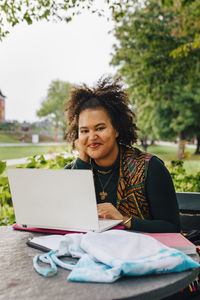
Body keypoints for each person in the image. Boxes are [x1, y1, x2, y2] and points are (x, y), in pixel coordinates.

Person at [64, 76, 180, 233]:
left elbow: (172, 227)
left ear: (116, 129)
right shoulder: (72, 171)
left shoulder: (150, 168)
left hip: (139, 253)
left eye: (99, 128)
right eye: (84, 131)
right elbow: (67, 218)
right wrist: (82, 160)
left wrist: (124, 219)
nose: (92, 137)